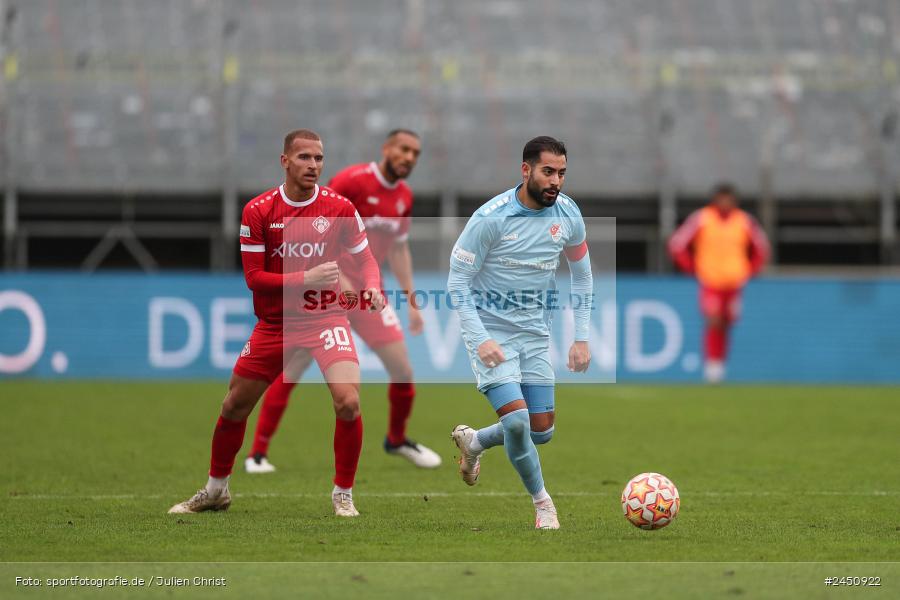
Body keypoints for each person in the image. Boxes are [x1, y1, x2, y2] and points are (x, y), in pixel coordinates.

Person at [168, 129, 384, 517]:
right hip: (276, 324)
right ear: (285, 161)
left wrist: (371, 286)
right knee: (234, 405)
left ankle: (343, 494)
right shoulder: (259, 210)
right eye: (304, 158)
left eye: (319, 158)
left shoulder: (339, 207)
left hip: (326, 318)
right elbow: (254, 278)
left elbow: (365, 259)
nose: (313, 165)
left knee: (348, 401)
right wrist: (306, 278)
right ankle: (216, 490)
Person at [244, 129, 441, 473]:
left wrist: (410, 299)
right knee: (292, 368)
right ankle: (258, 453)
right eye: (403, 149)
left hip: (366, 293)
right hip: (327, 291)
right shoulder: (351, 182)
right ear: (387, 148)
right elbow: (317, 225)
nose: (409, 157)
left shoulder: (403, 197)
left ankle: (396, 439)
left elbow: (398, 247)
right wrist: (342, 281)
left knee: (403, 369)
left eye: (415, 153)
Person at [448, 136, 593, 530]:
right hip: (491, 332)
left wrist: (581, 336)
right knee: (516, 423)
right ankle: (543, 503)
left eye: (562, 173)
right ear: (526, 170)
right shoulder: (490, 218)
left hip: (535, 335)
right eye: (548, 172)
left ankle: (474, 441)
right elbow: (457, 282)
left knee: (541, 432)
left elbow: (581, 274)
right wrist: (480, 339)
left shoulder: (567, 213)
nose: (556, 181)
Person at [668, 182, 770, 383]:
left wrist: (750, 270)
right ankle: (713, 368)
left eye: (729, 199)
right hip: (711, 281)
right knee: (713, 320)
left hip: (734, 282)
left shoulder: (744, 221)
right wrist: (691, 267)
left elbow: (762, 248)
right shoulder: (702, 218)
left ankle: (720, 364)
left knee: (727, 322)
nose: (725, 202)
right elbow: (677, 244)